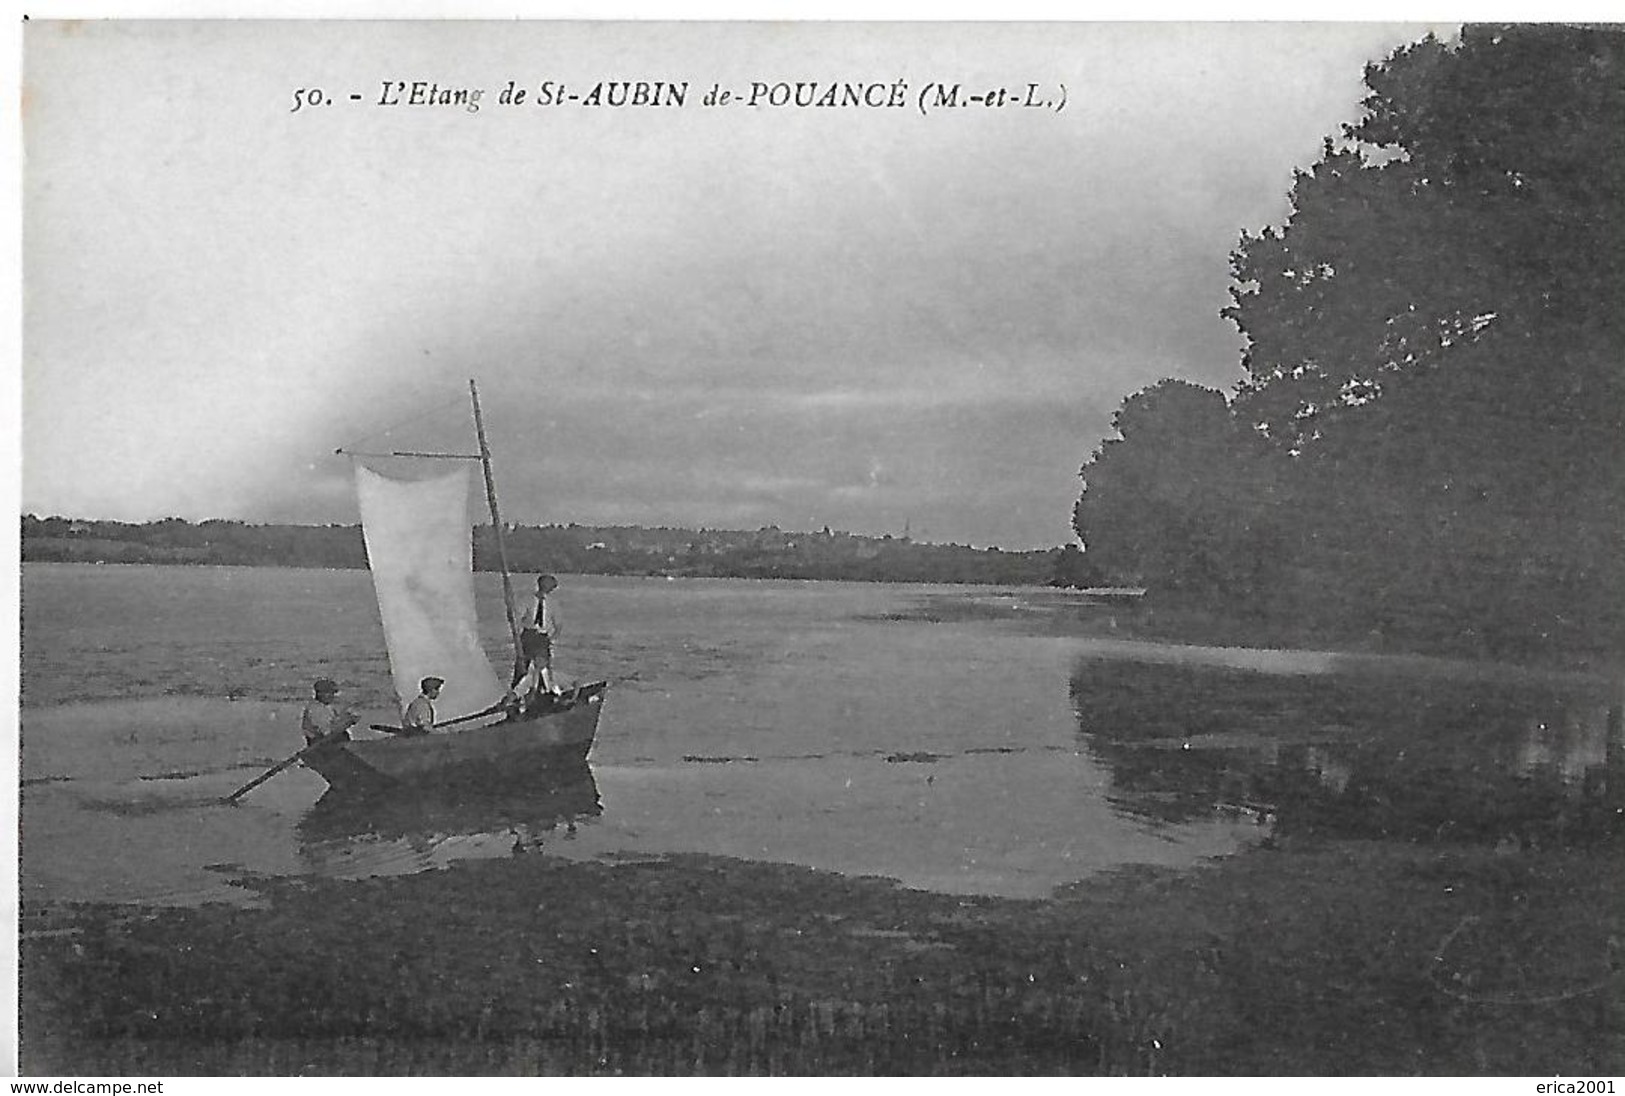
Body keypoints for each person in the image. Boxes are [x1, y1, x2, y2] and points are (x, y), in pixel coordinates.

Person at [508, 575, 562, 709]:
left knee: (543, 667)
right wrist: (518, 628)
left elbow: (558, 625)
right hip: (528, 636)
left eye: (551, 586)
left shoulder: (553, 604)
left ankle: (543, 694)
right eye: (547, 585)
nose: (549, 588)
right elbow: (517, 618)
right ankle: (516, 697)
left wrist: (551, 638)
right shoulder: (527, 600)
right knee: (523, 666)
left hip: (543, 637)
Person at [300, 678, 358, 746]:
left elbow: (351, 713)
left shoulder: (332, 704)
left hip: (333, 739)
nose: (332, 696)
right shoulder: (314, 709)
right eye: (328, 693)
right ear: (319, 694)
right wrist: (346, 721)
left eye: (332, 693)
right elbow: (327, 732)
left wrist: (349, 718)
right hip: (319, 743)